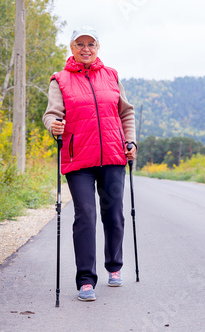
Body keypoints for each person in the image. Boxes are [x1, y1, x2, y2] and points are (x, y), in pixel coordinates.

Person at [42, 26, 136, 302]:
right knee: (85, 215)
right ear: (71, 47)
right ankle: (85, 280)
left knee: (114, 214)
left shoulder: (111, 76)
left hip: (113, 156)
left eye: (91, 44)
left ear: (98, 48)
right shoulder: (60, 80)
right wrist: (54, 125)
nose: (86, 49)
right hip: (79, 158)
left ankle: (114, 267)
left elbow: (126, 112)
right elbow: (51, 114)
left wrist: (130, 142)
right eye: (80, 44)